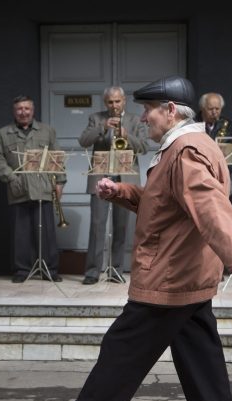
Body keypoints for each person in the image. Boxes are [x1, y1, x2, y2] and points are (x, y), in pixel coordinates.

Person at [20, 76, 232, 401]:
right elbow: (166, 206)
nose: (143, 117)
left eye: (149, 109)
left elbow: (213, 212)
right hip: (186, 279)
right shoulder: (188, 147)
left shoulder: (185, 152)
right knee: (205, 372)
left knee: (119, 354)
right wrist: (121, 192)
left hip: (169, 282)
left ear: (171, 111)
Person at [78, 86, 148, 285]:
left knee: (121, 227)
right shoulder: (96, 118)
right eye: (110, 102)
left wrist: (126, 136)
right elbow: (83, 141)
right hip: (100, 177)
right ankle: (92, 272)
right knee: (97, 227)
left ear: (124, 101)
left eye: (117, 101)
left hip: (125, 179)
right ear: (105, 102)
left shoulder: (135, 120)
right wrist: (103, 128)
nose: (114, 105)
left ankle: (116, 270)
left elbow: (143, 147)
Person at [0, 96, 66, 283]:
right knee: (20, 233)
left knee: (47, 232)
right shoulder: (3, 133)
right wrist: (11, 177)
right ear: (14, 111)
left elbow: (57, 158)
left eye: (27, 109)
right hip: (18, 188)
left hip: (43, 186)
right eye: (19, 109)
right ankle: (21, 270)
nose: (23, 112)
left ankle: (50, 268)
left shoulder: (47, 131)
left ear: (33, 111)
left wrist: (60, 183)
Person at [198, 92, 232, 216]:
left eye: (217, 109)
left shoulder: (228, 125)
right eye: (210, 109)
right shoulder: (193, 125)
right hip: (203, 178)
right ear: (202, 108)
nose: (214, 112)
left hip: (225, 178)